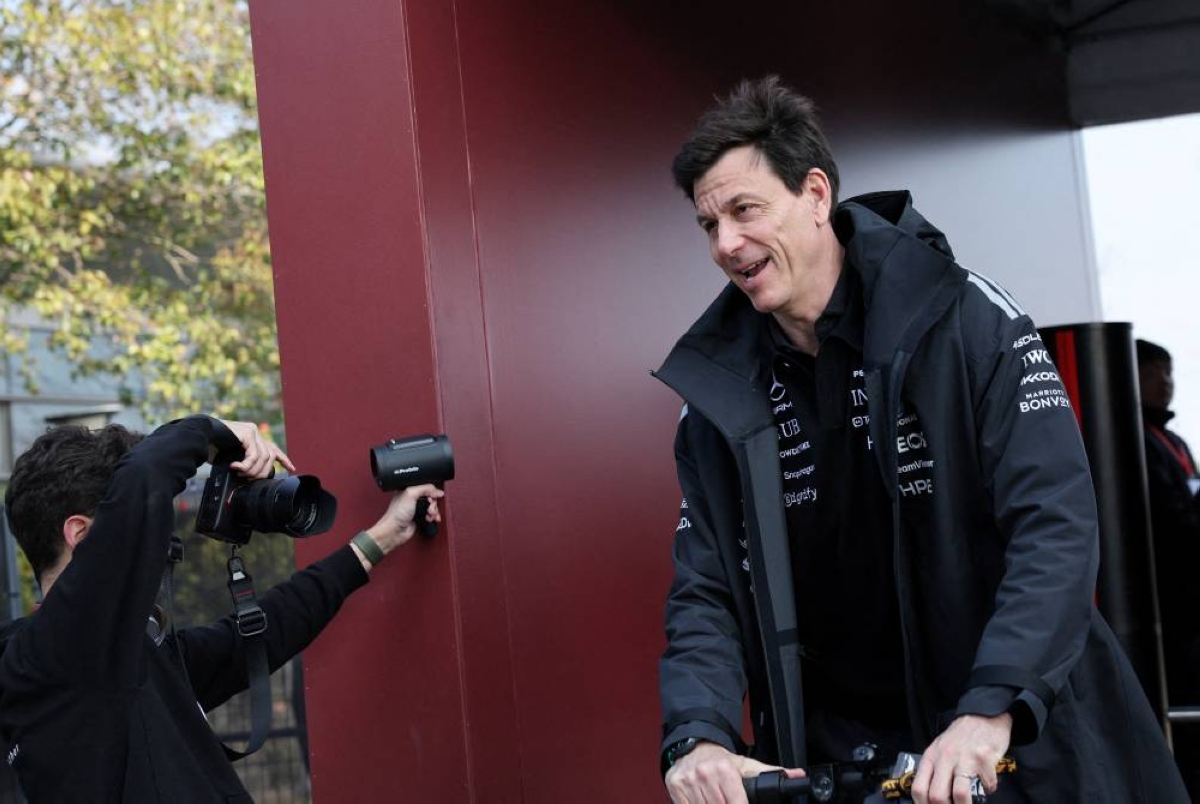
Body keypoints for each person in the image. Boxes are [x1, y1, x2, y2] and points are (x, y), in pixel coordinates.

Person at [655, 76, 1186, 804]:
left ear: (815, 194)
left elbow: (1054, 524)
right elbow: (707, 590)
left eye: (745, 211)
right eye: (708, 226)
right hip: (844, 762)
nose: (726, 244)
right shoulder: (718, 391)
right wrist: (698, 733)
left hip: (1013, 742)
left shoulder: (966, 318)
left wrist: (993, 707)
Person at [0, 414, 443, 802]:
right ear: (82, 536)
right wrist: (218, 433)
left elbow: (265, 631)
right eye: (139, 525)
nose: (159, 542)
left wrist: (382, 537)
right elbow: (146, 478)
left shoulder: (130, 658)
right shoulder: (52, 657)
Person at [1136, 338, 1200, 793]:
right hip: (1162, 608)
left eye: (1169, 372)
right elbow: (1166, 518)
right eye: (1156, 371)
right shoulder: (1133, 438)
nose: (1167, 382)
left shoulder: (1173, 439)